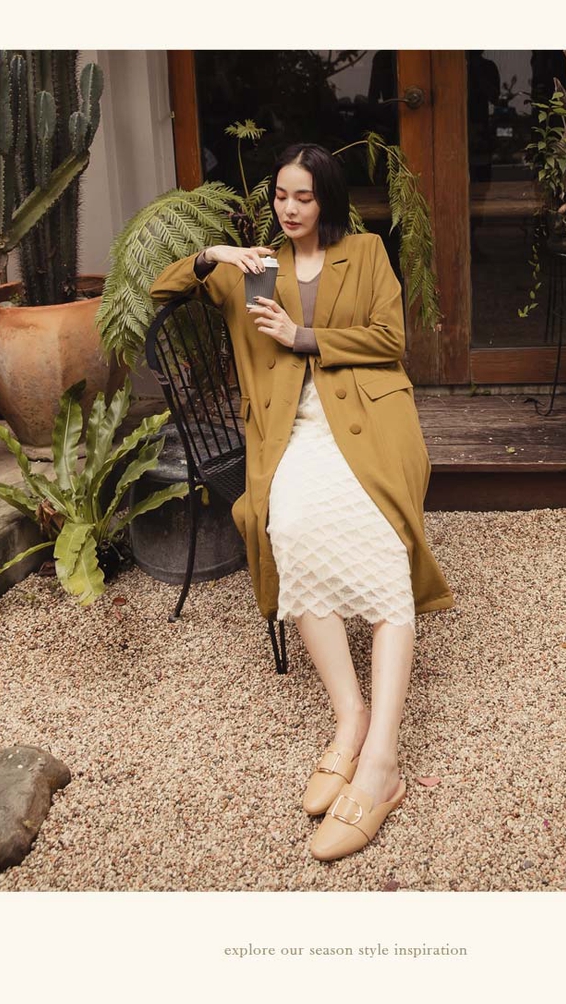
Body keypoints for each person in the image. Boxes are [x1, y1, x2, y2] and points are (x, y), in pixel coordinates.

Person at [149, 143, 454, 861]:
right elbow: (162, 294)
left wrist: (303, 336)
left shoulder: (366, 252)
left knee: (382, 541)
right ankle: (350, 717)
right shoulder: (251, 267)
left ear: (327, 201)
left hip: (370, 419)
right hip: (291, 432)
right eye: (281, 196)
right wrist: (211, 256)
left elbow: (391, 339)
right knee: (287, 526)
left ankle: (381, 763)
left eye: (304, 197)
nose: (289, 208)